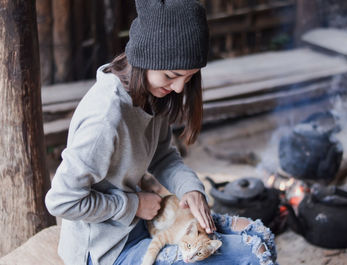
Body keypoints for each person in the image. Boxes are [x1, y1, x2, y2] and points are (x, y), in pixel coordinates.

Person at [45, 0, 278, 265]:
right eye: (171, 75)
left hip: (143, 223)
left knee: (260, 236)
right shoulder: (104, 119)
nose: (179, 88)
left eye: (188, 79)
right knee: (251, 255)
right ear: (145, 58)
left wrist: (190, 188)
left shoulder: (150, 96)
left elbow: (164, 156)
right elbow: (61, 201)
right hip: (105, 248)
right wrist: (133, 205)